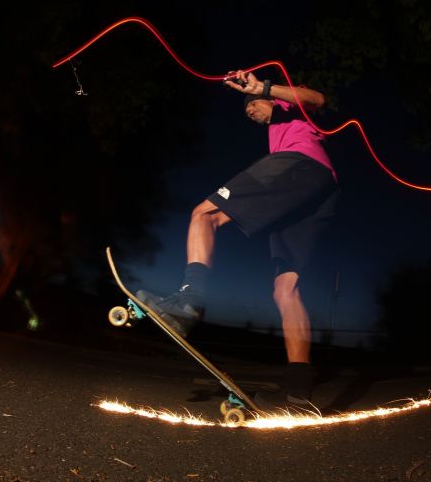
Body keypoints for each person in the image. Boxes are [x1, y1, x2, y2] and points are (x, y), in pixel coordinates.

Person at [137, 69, 339, 411]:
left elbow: (317, 99)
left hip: (300, 166)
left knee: (204, 213)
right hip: (319, 189)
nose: (250, 113)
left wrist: (265, 87)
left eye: (253, 106)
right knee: (285, 289)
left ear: (268, 98)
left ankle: (189, 302)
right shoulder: (278, 130)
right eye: (246, 111)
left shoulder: (291, 103)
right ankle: (300, 393)